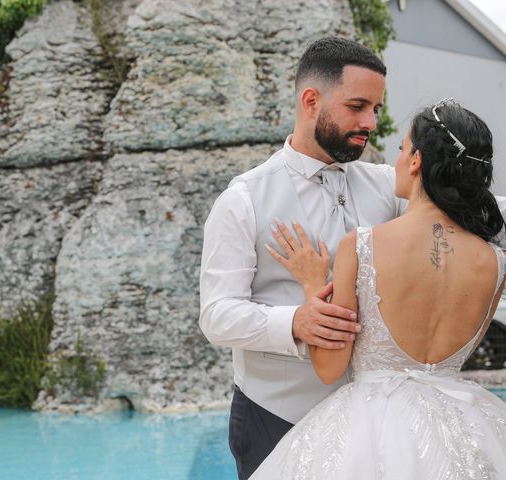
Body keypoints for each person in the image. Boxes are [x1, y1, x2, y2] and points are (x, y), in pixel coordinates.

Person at [250, 98, 506, 479]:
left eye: (402, 149)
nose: (398, 160)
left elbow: (329, 367)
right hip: (467, 427)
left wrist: (312, 284)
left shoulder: (362, 245)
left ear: (417, 161)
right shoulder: (496, 263)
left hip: (369, 429)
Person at [199, 36, 407, 479]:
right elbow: (216, 315)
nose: (370, 121)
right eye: (357, 106)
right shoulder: (243, 199)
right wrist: (294, 323)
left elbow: (466, 208)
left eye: (376, 109)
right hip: (274, 418)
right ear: (311, 100)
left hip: (372, 420)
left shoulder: (389, 186)